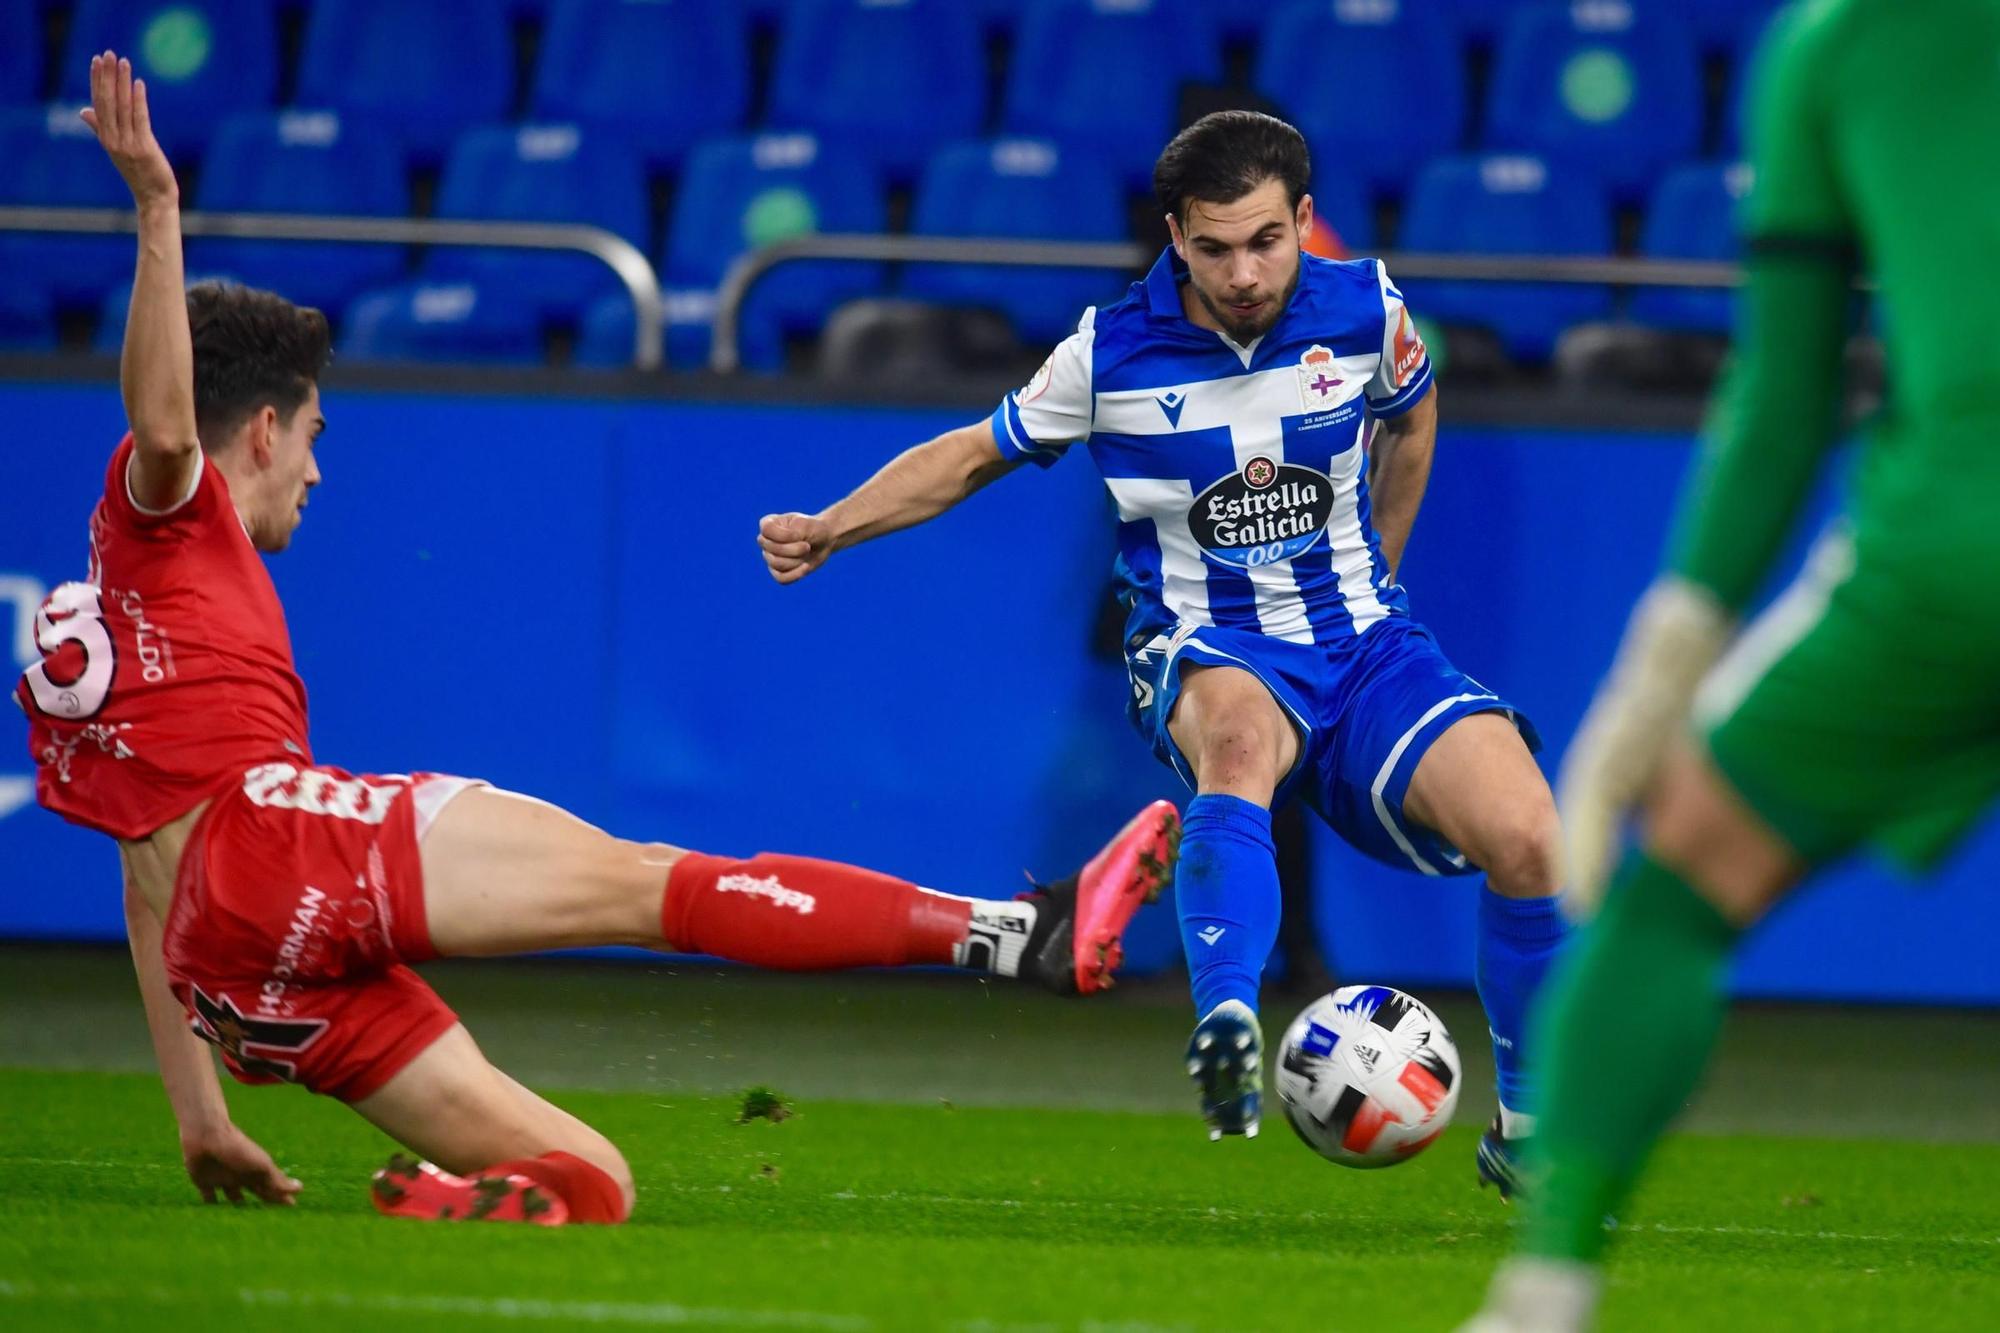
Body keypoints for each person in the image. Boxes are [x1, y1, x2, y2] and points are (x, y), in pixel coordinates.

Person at [17, 52, 1180, 1227]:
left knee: (592, 1189)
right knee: (648, 885)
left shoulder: (115, 606)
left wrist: (202, 1116)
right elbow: (166, 427)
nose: (316, 468)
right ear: (261, 428)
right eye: (312, 434)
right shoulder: (172, 512)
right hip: (275, 850)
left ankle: (430, 1209)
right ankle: (1010, 935)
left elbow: (142, 886)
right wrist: (159, 210)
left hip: (234, 980)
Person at [759, 111, 1567, 1184]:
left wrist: (1382, 574)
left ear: (1304, 222)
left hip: (1365, 645)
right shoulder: (1106, 353)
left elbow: (1411, 419)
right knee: (1236, 745)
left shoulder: (1366, 308)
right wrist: (828, 527)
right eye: (1215, 246)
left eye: (1266, 241)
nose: (1242, 272)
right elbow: (967, 457)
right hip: (1206, 640)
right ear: (1175, 234)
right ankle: (1226, 1018)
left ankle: (1526, 1138)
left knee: (1529, 837)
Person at [1465, 1, 2000, 1326]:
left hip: (1957, 560)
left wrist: (1662, 674)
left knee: (1679, 883)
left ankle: (1545, 1292)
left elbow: (1786, 392)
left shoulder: (1843, 43)